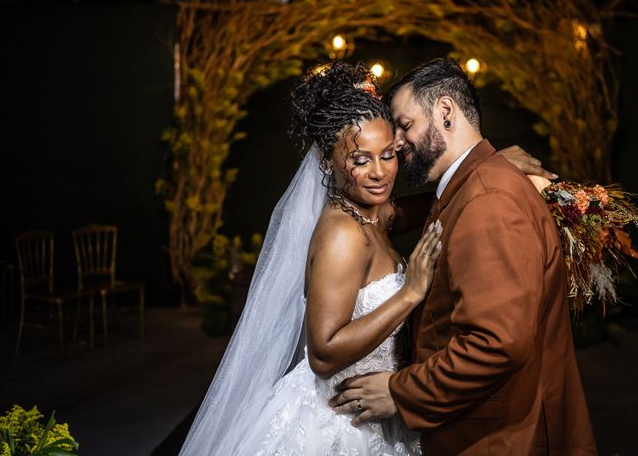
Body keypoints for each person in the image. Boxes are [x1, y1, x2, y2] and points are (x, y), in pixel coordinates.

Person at [179, 62, 549, 455]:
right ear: (328, 162)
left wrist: (490, 165)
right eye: (360, 160)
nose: (379, 173)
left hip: (386, 411)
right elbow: (323, 353)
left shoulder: (374, 214)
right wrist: (409, 293)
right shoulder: (342, 234)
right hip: (342, 421)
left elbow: (433, 201)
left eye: (388, 155)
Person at [330, 58, 599, 455]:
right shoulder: (474, 185)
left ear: (444, 111)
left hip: (497, 440)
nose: (397, 142)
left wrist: (400, 392)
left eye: (405, 125)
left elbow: (496, 343)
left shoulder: (489, 202)